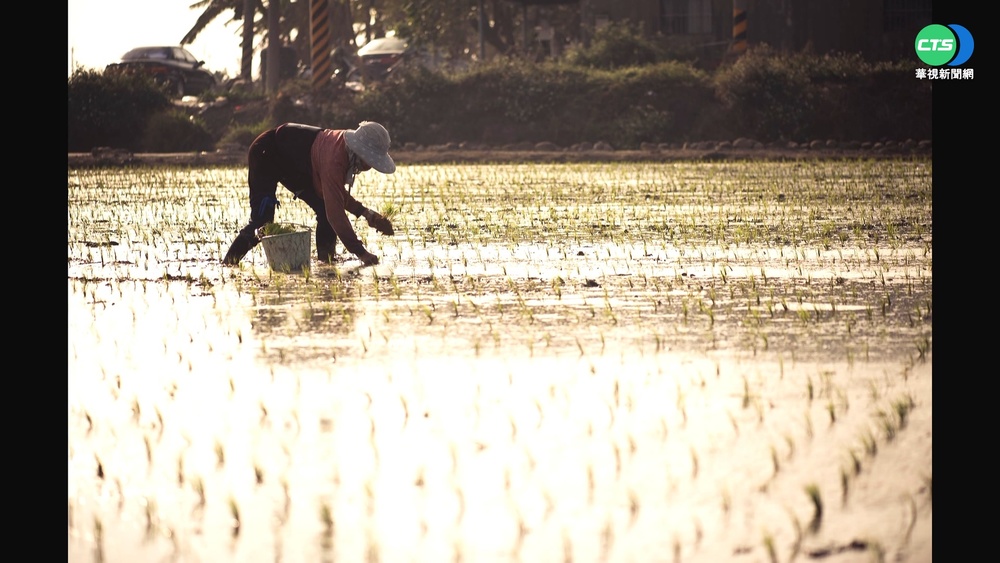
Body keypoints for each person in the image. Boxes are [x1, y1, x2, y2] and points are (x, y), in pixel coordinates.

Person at [222, 121, 397, 266]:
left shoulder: (345, 151)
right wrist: (361, 252)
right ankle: (229, 264)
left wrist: (365, 213)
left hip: (294, 166)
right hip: (266, 154)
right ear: (360, 151)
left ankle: (325, 263)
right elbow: (335, 213)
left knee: (323, 207)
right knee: (263, 221)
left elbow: (334, 193)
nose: (370, 166)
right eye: (371, 160)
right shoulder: (335, 160)